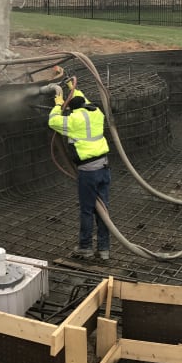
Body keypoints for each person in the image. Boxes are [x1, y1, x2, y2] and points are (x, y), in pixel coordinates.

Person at [48, 84, 111, 260]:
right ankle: (104, 250)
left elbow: (52, 121)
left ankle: (85, 248)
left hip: (88, 172)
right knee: (103, 210)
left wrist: (58, 105)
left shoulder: (73, 121)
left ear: (71, 108)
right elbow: (84, 100)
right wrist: (73, 88)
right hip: (104, 168)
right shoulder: (96, 112)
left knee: (87, 210)